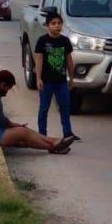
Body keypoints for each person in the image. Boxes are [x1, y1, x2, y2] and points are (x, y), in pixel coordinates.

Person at [0, 68, 77, 153]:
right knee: (22, 132)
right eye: (8, 89)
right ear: (3, 85)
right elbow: (0, 120)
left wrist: (16, 126)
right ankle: (53, 146)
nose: (6, 93)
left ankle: (54, 142)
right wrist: (15, 125)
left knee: (23, 134)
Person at [35, 11, 78, 140]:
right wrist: (38, 78)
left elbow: (69, 60)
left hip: (61, 81)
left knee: (65, 106)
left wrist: (71, 77)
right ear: (47, 25)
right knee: (44, 108)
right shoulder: (42, 41)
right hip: (46, 81)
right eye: (53, 23)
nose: (57, 26)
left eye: (59, 23)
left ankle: (67, 132)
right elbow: (39, 59)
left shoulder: (65, 41)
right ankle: (42, 134)